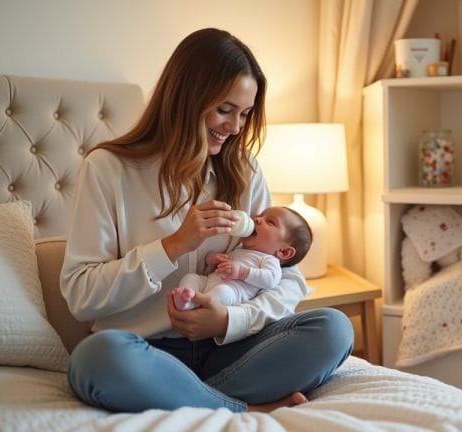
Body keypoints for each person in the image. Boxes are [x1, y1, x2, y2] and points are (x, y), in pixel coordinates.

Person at [60, 27, 353, 413]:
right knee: (96, 358)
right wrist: (173, 245)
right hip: (146, 352)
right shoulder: (107, 169)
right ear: (185, 98)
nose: (234, 128)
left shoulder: (245, 170)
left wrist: (229, 322)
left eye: (244, 114)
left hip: (229, 351)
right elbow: (81, 296)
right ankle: (241, 409)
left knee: (333, 329)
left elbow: (288, 278)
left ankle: (192, 399)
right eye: (224, 109)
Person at [172, 206, 312, 311]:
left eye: (270, 222)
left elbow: (270, 279)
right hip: (209, 281)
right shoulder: (239, 248)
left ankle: (200, 304)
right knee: (192, 277)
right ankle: (186, 300)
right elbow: (212, 264)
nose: (257, 219)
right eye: (260, 215)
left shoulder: (269, 260)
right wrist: (213, 259)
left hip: (233, 291)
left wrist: (241, 272)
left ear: (284, 251)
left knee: (222, 292)